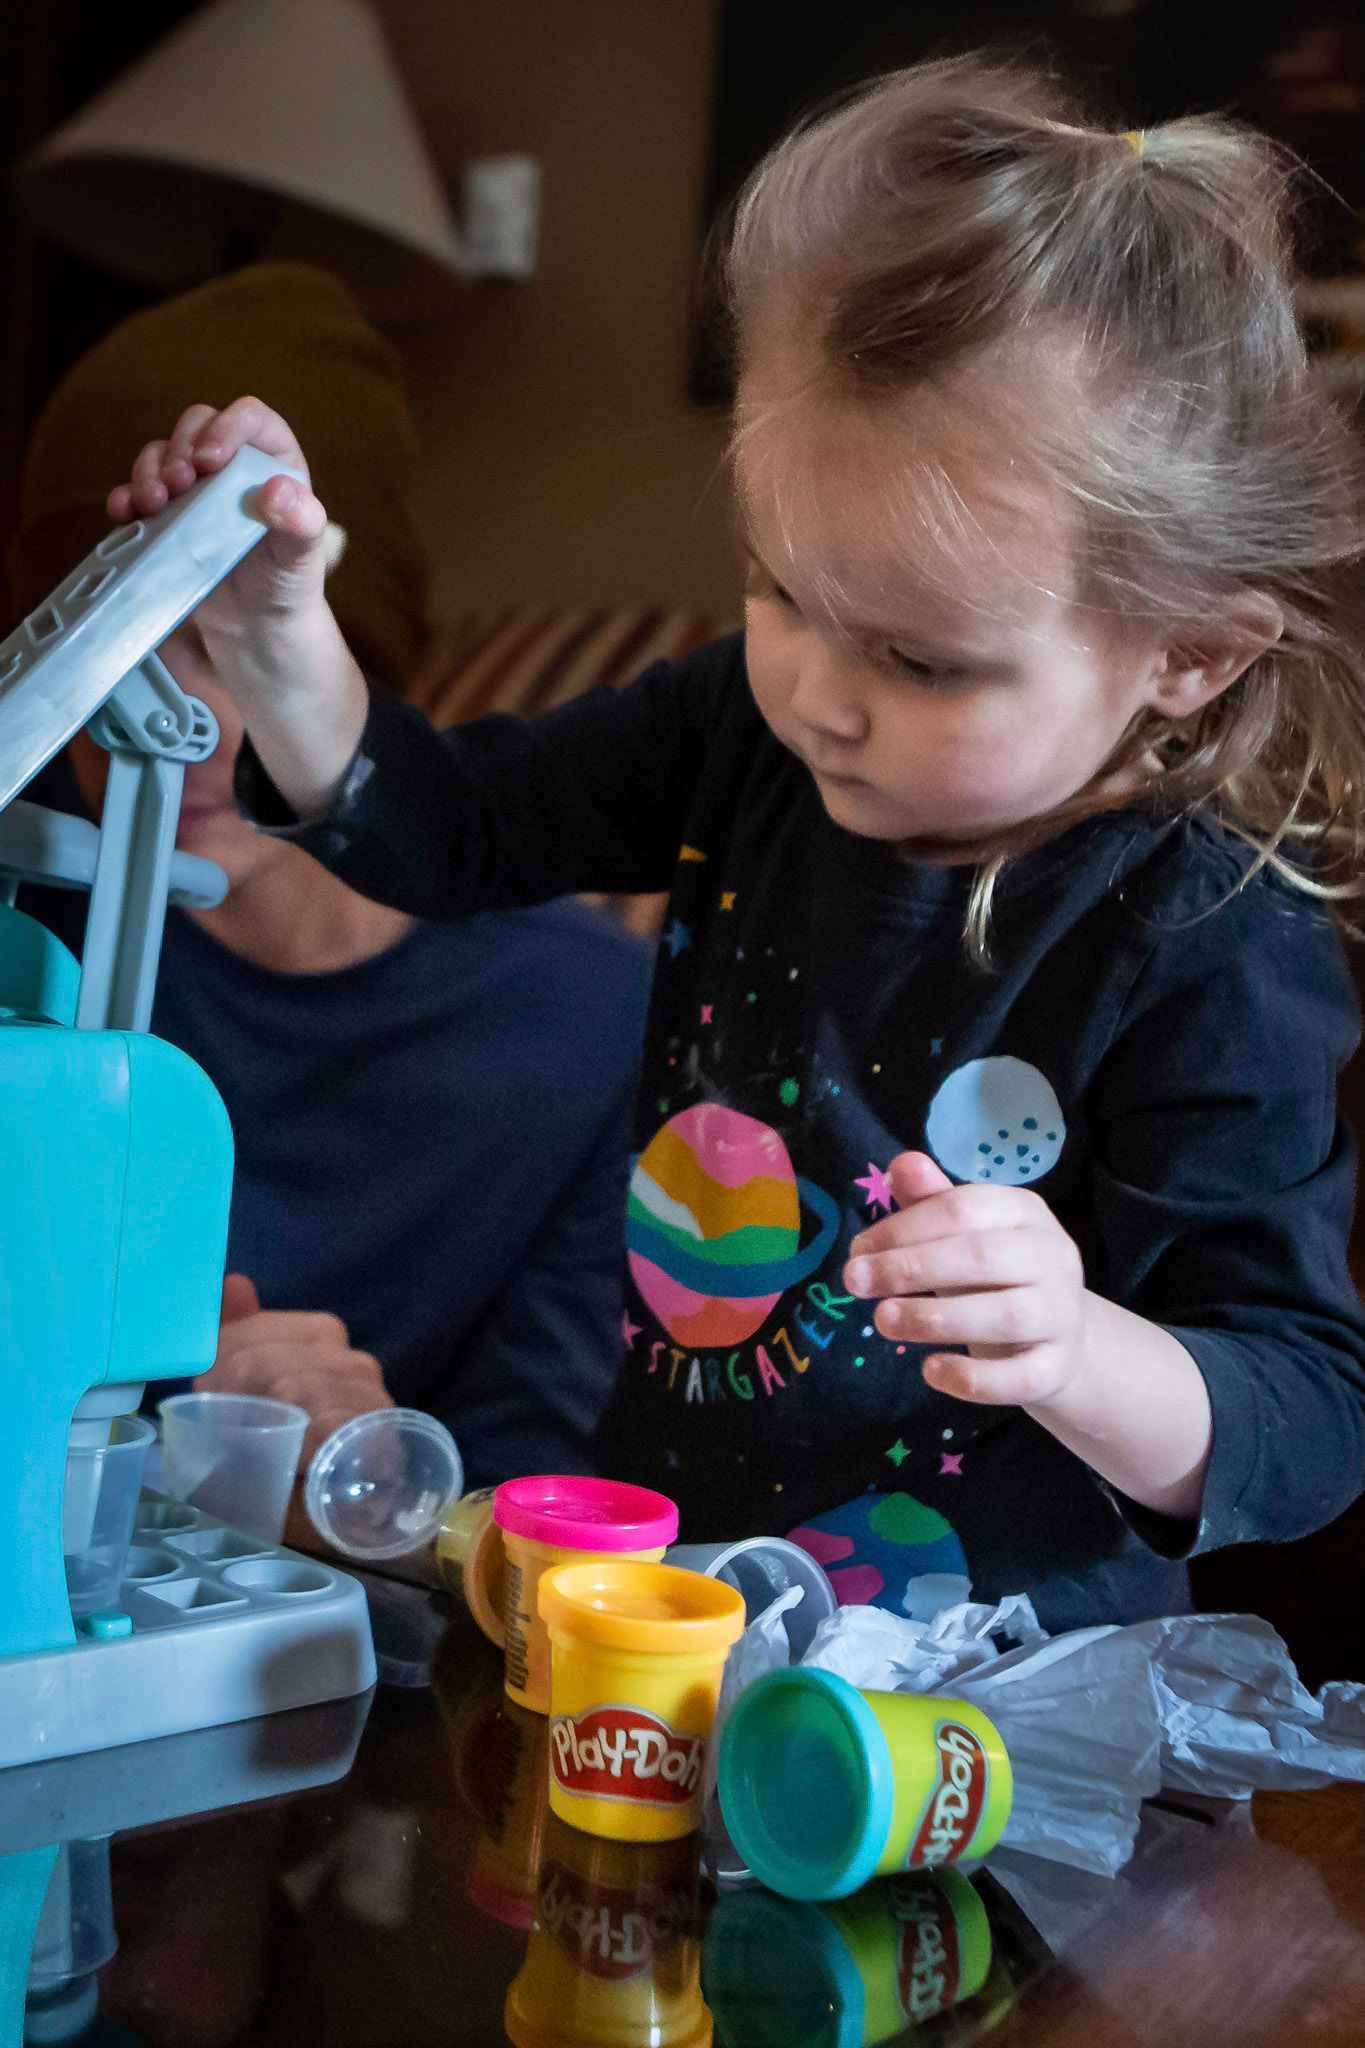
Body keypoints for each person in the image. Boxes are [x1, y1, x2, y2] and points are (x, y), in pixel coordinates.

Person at [106, 57, 1365, 1629]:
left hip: (993, 1709)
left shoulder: (1214, 934)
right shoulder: (746, 735)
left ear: (1186, 656)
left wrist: (1080, 1347)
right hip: (679, 1617)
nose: (820, 699)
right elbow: (451, 828)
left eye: (920, 662)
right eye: (780, 592)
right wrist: (278, 636)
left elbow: (1307, 1420)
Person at [14, 263, 652, 1480]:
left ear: (342, 649)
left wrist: (362, 1471)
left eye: (227, 639)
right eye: (116, 646)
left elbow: (544, 1489)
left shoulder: (589, 1025)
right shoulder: (29, 902)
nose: (174, 718)